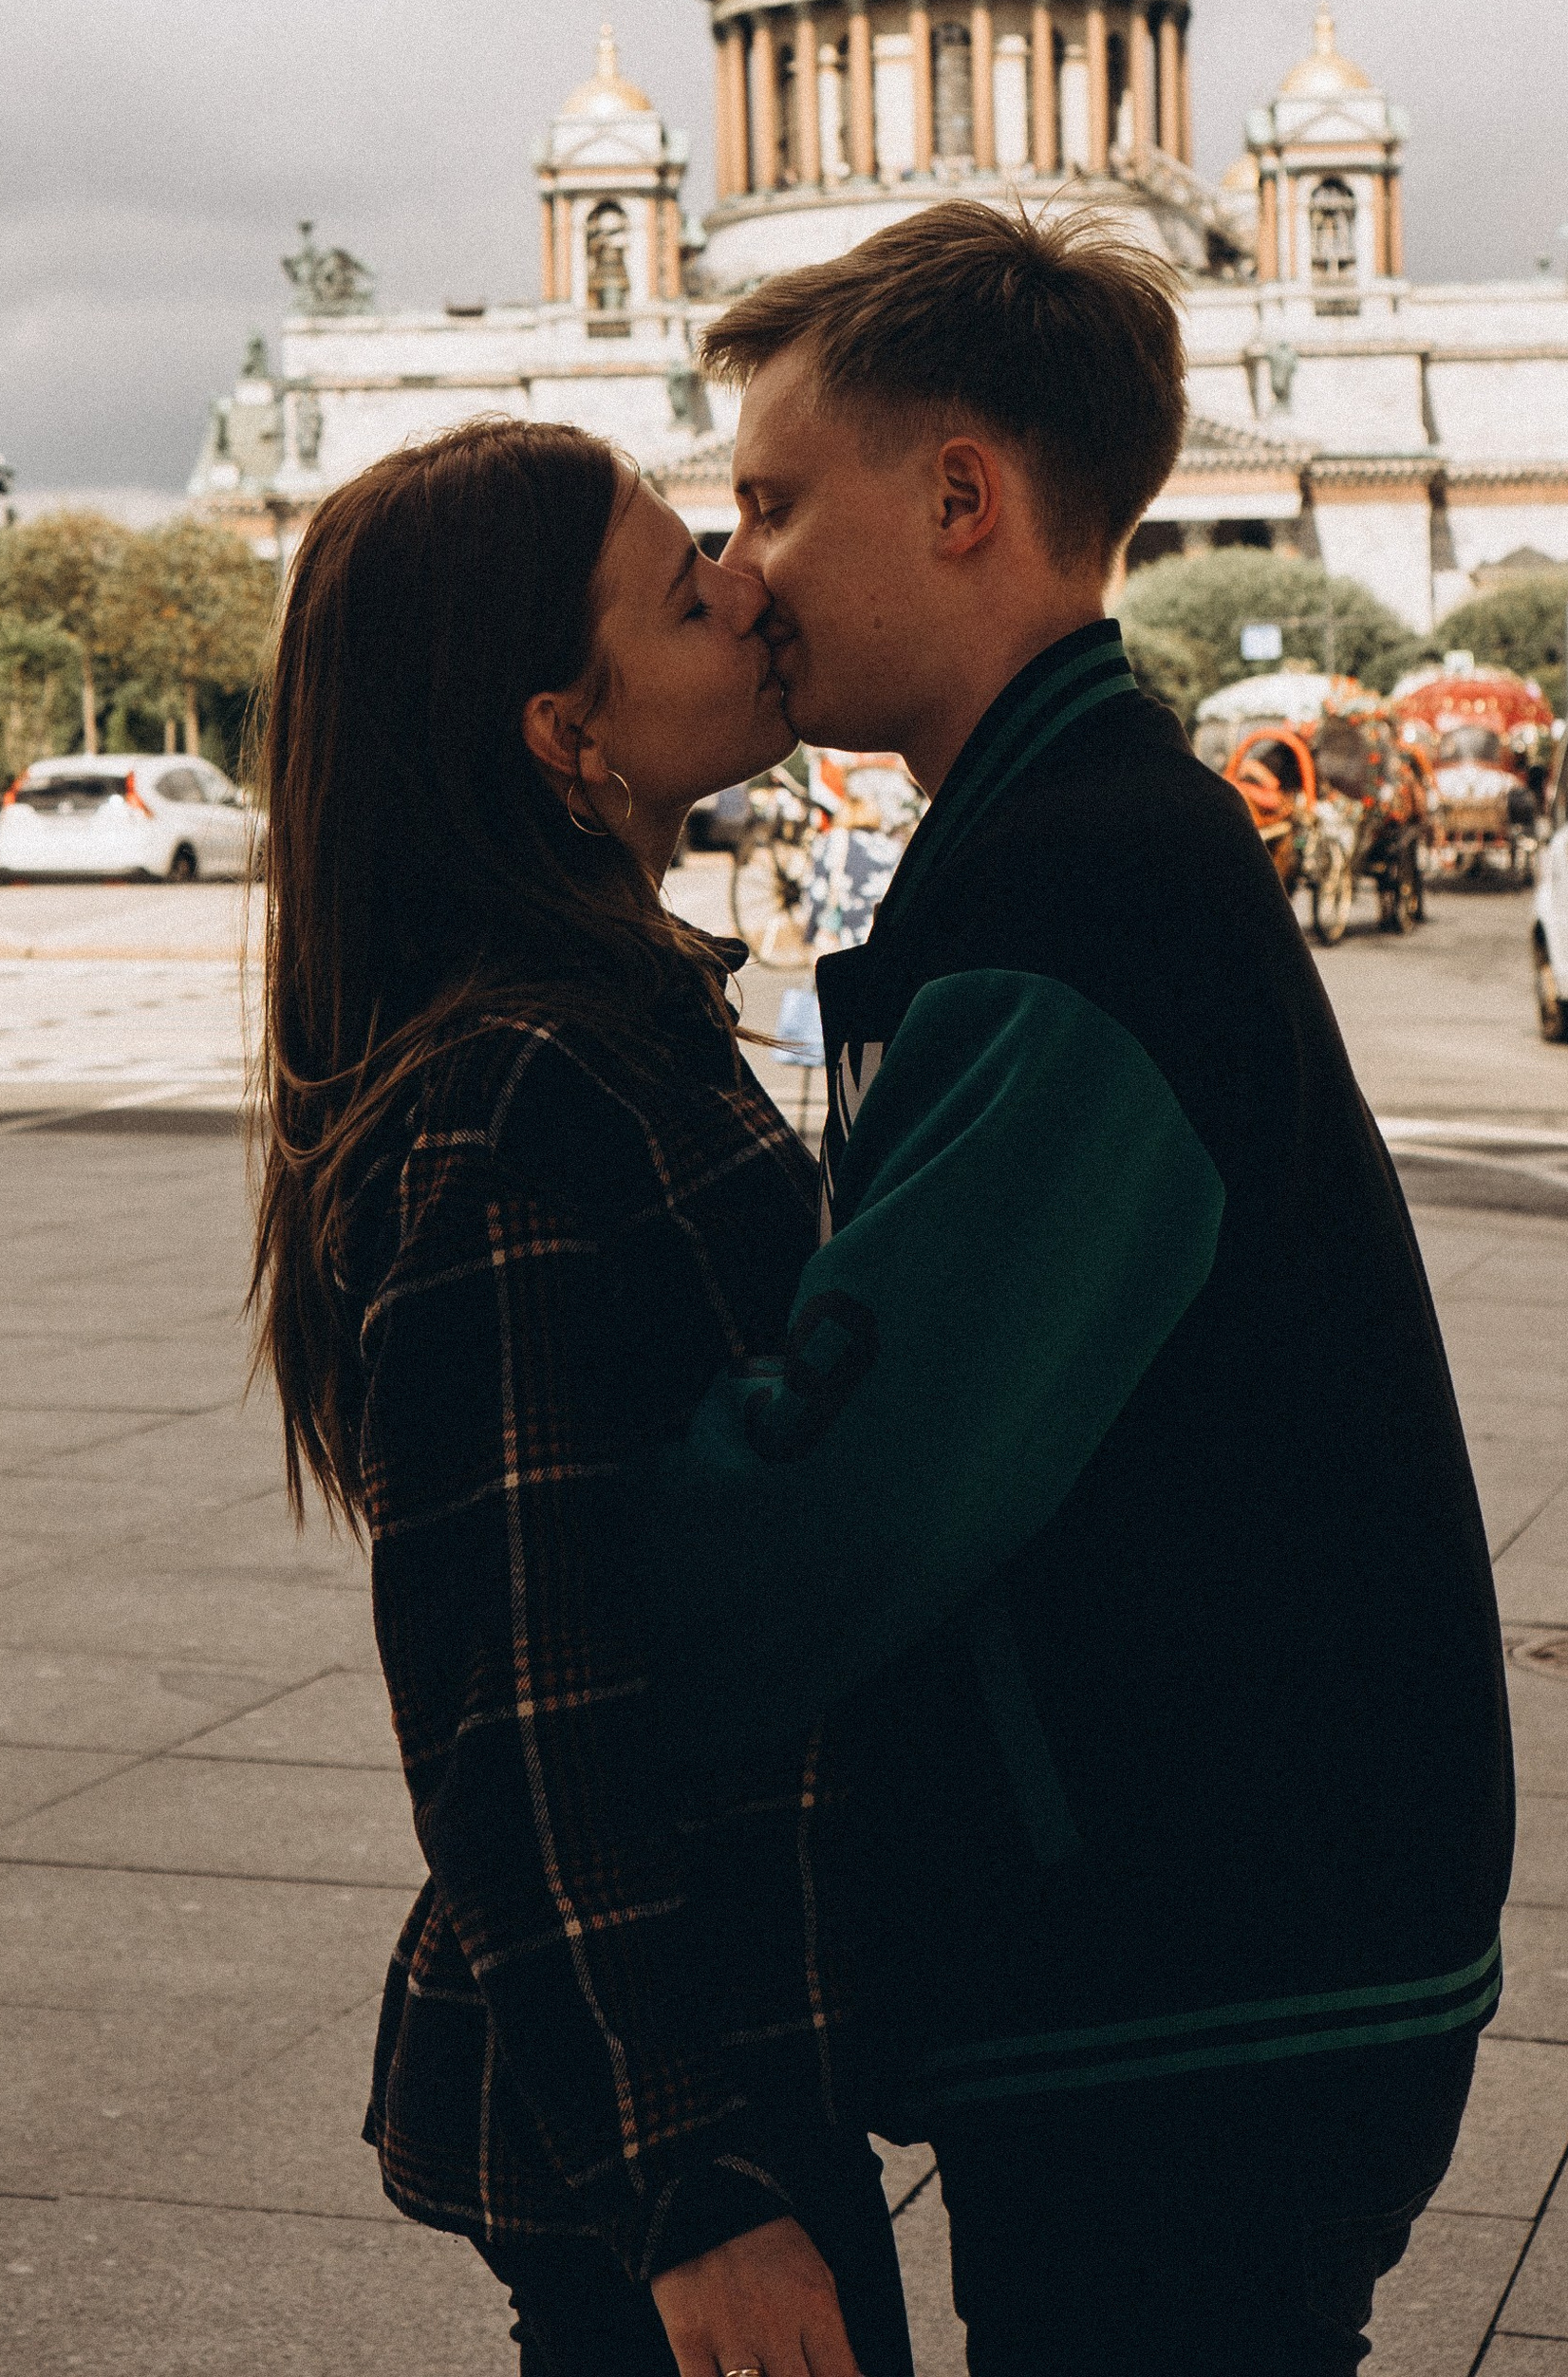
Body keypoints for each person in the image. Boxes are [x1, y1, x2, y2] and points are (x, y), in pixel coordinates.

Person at [641, 200, 1513, 2377]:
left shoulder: (1070, 890)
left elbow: (851, 1498)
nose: (732, 569)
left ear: (958, 499)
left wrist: (569, 1544)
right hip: (1233, 1927)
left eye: (765, 502)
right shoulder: (1073, 838)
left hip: (1193, 1969)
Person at [248, 421, 913, 2377]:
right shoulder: (516, 1095)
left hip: (721, 2034)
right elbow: (507, 1696)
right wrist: (682, 2183)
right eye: (684, 581)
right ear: (565, 736)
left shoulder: (590, 1022)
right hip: (673, 2090)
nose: (748, 587)